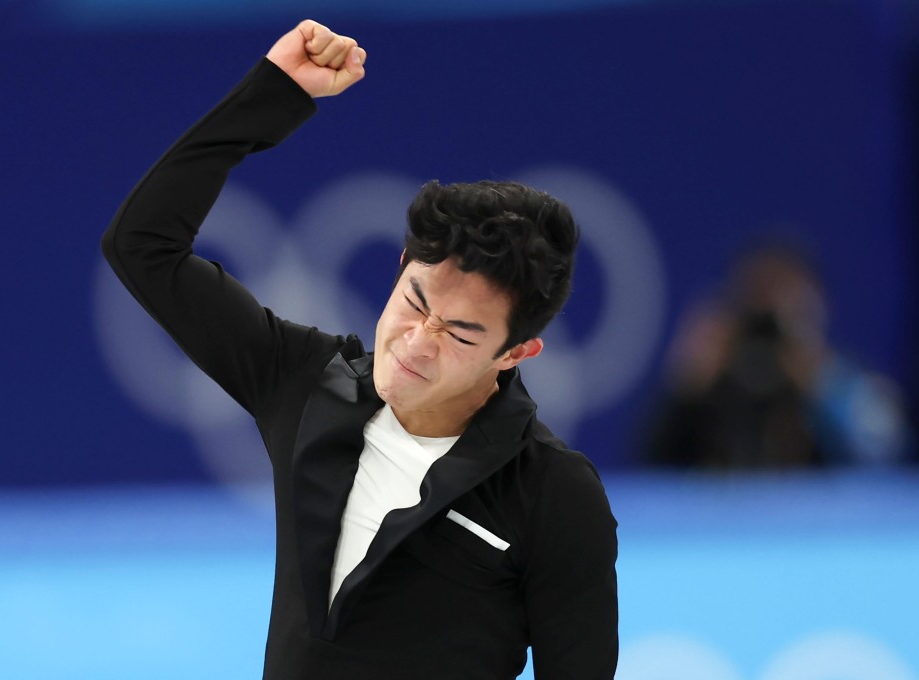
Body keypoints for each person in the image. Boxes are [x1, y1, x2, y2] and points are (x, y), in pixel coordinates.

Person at [102, 20, 618, 679]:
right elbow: (142, 245)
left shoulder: (554, 495)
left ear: (516, 353)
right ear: (400, 265)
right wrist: (274, 93)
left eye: (461, 334)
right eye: (415, 302)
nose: (418, 344)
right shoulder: (302, 383)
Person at [644, 241, 912, 468]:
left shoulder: (836, 378)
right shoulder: (710, 384)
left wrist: (823, 379)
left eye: (785, 293)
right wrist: (686, 387)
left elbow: (890, 454)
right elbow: (650, 469)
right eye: (757, 293)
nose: (769, 310)